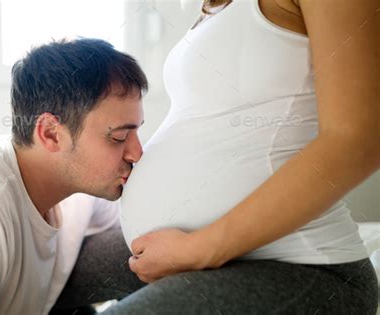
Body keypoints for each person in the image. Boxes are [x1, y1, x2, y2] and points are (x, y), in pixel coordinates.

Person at [54, 0, 379, 314]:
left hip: (299, 264)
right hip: (191, 244)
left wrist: (195, 251)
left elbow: (359, 140)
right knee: (44, 280)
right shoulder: (216, 7)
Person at [0, 38, 148, 314]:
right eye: (118, 137)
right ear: (50, 133)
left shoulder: (77, 196)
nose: (137, 153)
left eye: (137, 132)